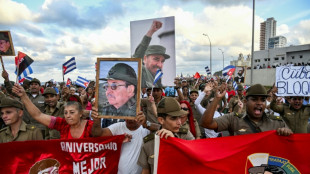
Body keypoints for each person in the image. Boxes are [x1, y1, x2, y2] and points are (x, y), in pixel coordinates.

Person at [200, 83, 293, 136]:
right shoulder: (233, 119)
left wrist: (287, 133)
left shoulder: (277, 123)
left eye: (263, 100)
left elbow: (292, 141)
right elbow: (206, 123)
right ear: (245, 101)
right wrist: (217, 98)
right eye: (254, 99)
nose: (259, 103)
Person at [12, 84, 93, 139]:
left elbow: (103, 133)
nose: (68, 116)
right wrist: (23, 96)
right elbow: (38, 115)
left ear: (80, 113)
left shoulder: (90, 126)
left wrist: (94, 116)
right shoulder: (62, 124)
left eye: (72, 112)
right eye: (65, 113)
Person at [91, 109, 160, 174]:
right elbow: (98, 134)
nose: (130, 119)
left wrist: (146, 124)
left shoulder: (146, 130)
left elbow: (160, 129)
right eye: (127, 115)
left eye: (133, 116)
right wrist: (97, 121)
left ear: (140, 114)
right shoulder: (118, 127)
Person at [137, 97, 194, 174]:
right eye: (173, 118)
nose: (179, 122)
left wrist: (174, 141)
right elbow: (145, 171)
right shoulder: (149, 144)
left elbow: (195, 159)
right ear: (161, 120)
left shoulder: (186, 136)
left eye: (179, 117)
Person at [133, 20, 170, 88]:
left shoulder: (157, 78)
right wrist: (151, 32)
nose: (159, 64)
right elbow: (136, 58)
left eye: (162, 61)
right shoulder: (142, 72)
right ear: (145, 59)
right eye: (156, 59)